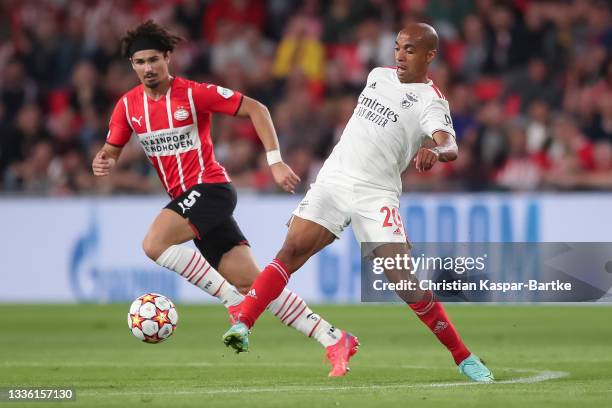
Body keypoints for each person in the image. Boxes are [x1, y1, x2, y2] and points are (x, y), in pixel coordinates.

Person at [223, 23, 494, 383]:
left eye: (410, 49)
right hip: (334, 179)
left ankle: (463, 357)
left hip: (376, 193)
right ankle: (243, 324)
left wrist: (436, 151)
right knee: (290, 250)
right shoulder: (377, 76)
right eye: (398, 47)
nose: (400, 55)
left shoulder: (432, 101)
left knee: (404, 281)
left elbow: (451, 144)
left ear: (430, 55)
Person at [92, 20, 358, 376]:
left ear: (168, 57)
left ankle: (233, 303)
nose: (148, 68)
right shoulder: (128, 107)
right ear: (132, 65)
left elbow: (257, 109)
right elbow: (112, 149)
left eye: (154, 59)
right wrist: (104, 159)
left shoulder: (191, 93)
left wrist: (275, 162)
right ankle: (334, 338)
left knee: (154, 243)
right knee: (254, 283)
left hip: (211, 189)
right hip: (191, 203)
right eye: (140, 62)